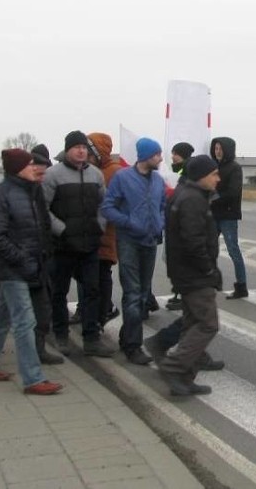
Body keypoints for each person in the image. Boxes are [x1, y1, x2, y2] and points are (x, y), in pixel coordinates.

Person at [0, 149, 63, 395]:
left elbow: (42, 228)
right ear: (17, 168)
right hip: (12, 269)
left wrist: (45, 253)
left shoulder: (33, 191)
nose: (35, 168)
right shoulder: (1, 194)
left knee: (3, 316)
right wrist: (22, 259)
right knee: (25, 321)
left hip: (32, 265)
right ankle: (33, 379)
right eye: (29, 164)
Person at [43, 130, 114, 358]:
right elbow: (42, 209)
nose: (81, 150)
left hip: (89, 244)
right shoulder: (52, 175)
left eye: (84, 147)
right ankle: (60, 335)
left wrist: (99, 226)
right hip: (62, 245)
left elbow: (104, 204)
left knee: (92, 291)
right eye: (76, 147)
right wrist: (62, 230)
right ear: (67, 150)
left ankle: (91, 338)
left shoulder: (95, 175)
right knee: (59, 292)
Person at [158, 155, 223, 396]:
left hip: (186, 271)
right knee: (207, 324)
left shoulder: (187, 194)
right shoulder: (192, 199)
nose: (218, 178)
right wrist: (208, 269)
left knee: (192, 323)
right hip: (194, 273)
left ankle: (184, 378)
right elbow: (193, 242)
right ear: (202, 176)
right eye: (214, 173)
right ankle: (174, 368)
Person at [101, 137, 167, 365]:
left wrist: (160, 223)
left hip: (150, 241)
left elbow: (161, 206)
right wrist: (129, 222)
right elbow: (108, 207)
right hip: (129, 240)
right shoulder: (122, 177)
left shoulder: (158, 180)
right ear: (146, 156)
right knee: (132, 293)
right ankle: (133, 345)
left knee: (143, 292)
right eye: (157, 154)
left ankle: (126, 335)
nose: (160, 158)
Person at [87, 132, 123, 326]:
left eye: (89, 149)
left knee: (102, 275)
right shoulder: (90, 169)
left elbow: (117, 203)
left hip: (106, 232)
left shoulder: (114, 171)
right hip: (90, 233)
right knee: (89, 278)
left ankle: (103, 312)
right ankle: (89, 311)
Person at [210, 137, 249, 299]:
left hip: (228, 214)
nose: (217, 151)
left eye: (220, 148)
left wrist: (214, 198)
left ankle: (241, 286)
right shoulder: (212, 166)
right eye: (216, 148)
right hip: (212, 214)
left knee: (233, 249)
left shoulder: (234, 168)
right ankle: (209, 283)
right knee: (209, 249)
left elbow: (233, 192)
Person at [165, 141, 195, 311]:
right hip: (175, 224)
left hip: (183, 224)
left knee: (183, 261)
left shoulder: (188, 172)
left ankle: (185, 296)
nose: (172, 156)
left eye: (175, 153)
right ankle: (179, 293)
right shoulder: (179, 170)